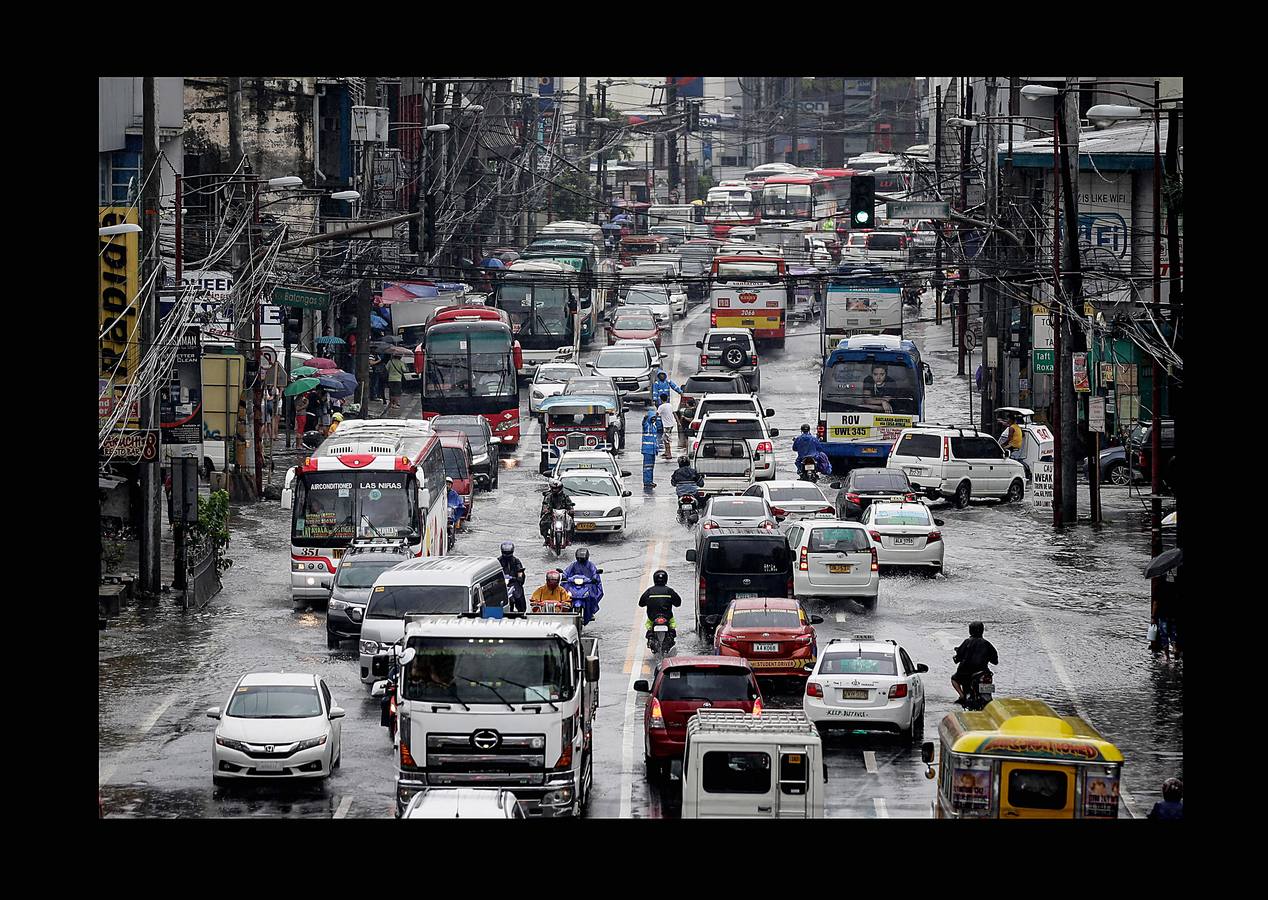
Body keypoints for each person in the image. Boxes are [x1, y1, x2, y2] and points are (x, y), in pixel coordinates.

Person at [951, 622, 999, 705]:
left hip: (965, 672)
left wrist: (956, 657)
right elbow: (995, 661)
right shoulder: (987, 644)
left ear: (970, 631)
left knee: (954, 679)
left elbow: (958, 657)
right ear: (982, 631)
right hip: (983, 672)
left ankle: (962, 696)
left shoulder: (967, 642)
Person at [639, 569, 682, 640]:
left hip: (652, 617)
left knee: (649, 626)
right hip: (668, 617)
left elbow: (641, 604)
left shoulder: (649, 591)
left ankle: (650, 635)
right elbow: (678, 603)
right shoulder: (669, 591)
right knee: (672, 626)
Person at [539, 477, 575, 546]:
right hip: (551, 515)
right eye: (553, 488)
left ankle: (569, 539)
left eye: (556, 488)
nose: (555, 490)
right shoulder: (549, 497)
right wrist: (546, 509)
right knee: (543, 523)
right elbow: (546, 504)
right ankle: (546, 539)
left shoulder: (565, 497)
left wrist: (570, 509)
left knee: (571, 523)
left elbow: (569, 504)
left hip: (563, 515)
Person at [499, 541, 526, 612]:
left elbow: (520, 571)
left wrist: (519, 577)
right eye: (505, 552)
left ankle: (521, 611)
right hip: (501, 583)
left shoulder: (516, 561)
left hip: (513, 582)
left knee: (518, 596)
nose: (507, 555)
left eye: (508, 553)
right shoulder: (498, 561)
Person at [641, 403, 662, 488]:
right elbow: (644, 423)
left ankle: (650, 481)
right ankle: (647, 482)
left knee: (651, 467)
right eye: (652, 418)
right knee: (647, 467)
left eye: (654, 418)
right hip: (647, 450)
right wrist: (645, 418)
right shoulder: (647, 425)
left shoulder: (654, 427)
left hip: (652, 450)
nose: (654, 419)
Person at [657, 391, 676, 459]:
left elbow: (656, 414)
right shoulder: (670, 405)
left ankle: (669, 454)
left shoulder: (661, 407)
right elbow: (674, 413)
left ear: (661, 399)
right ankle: (666, 452)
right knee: (665, 438)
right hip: (671, 424)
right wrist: (678, 422)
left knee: (666, 439)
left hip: (666, 425)